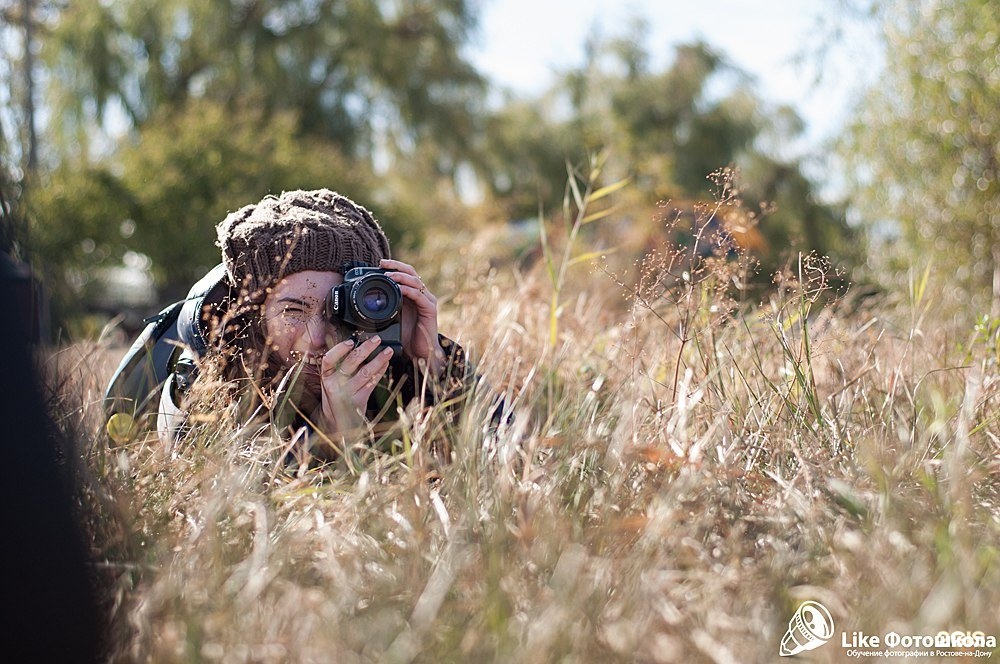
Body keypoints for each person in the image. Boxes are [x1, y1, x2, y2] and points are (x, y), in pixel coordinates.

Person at [156, 189, 471, 460]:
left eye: (337, 309)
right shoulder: (213, 372)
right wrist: (332, 438)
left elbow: (505, 443)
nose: (318, 337)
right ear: (256, 313)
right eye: (294, 310)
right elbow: (223, 492)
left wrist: (434, 364)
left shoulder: (382, 352)